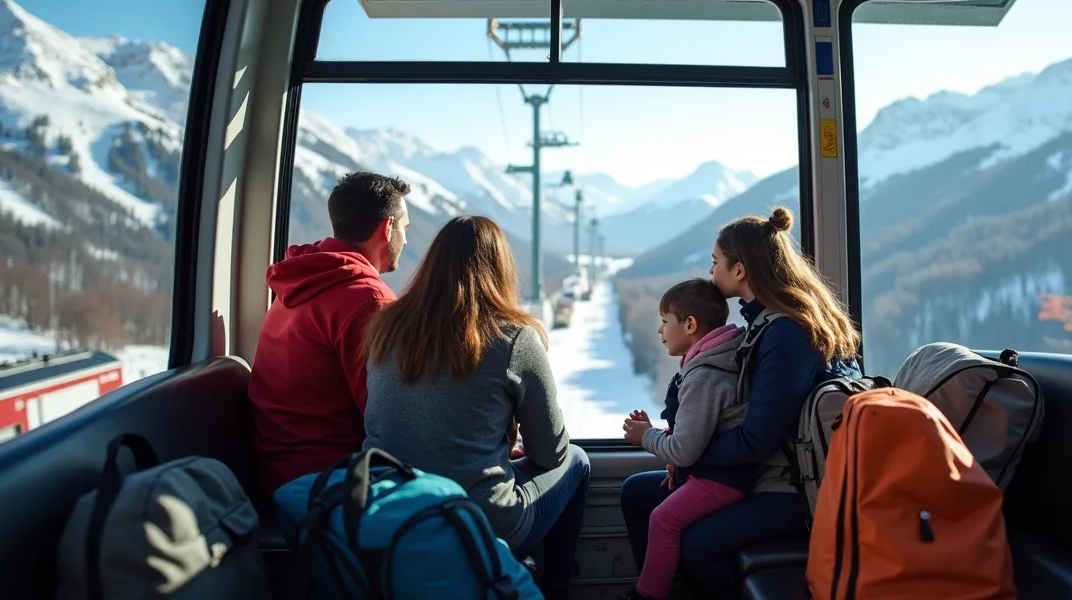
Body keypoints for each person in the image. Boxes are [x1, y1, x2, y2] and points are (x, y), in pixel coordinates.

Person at [619, 206, 863, 598]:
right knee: (637, 493)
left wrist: (689, 453)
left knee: (697, 545)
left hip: (789, 489)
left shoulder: (786, 333)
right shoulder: (764, 323)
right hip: (760, 473)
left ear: (740, 270)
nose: (711, 272)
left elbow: (758, 439)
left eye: (716, 262)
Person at [362, 216, 590, 600]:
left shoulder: (385, 327)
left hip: (389, 513)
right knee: (579, 461)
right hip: (478, 520)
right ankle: (552, 589)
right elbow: (552, 453)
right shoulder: (513, 337)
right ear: (500, 269)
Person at [248, 171, 410, 500]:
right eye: (404, 228)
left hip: (277, 476)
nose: (405, 241)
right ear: (387, 228)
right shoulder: (368, 302)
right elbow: (393, 418)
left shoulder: (301, 280)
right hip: (333, 486)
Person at [620, 279, 750, 600]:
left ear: (690, 325)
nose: (660, 331)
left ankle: (648, 595)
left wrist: (645, 436)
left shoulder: (704, 376)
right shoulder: (713, 363)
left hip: (723, 479)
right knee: (635, 491)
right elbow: (697, 433)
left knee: (663, 519)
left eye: (665, 322)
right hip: (715, 471)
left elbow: (684, 451)